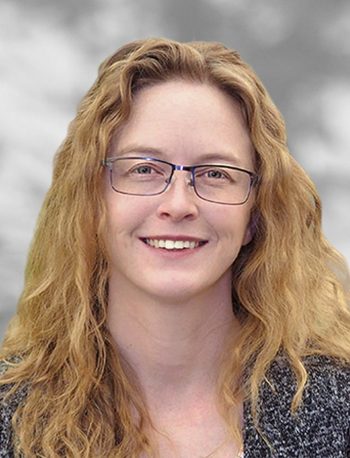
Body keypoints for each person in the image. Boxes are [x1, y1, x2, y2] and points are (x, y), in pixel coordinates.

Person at [1, 37, 349, 458]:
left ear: (255, 215)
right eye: (144, 168)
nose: (179, 204)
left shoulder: (336, 407)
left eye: (216, 173)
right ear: (92, 202)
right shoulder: (11, 416)